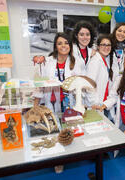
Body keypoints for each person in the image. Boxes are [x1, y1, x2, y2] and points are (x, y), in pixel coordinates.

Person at [33, 32, 79, 173]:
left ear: (70, 45)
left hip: (68, 102)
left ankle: (67, 156)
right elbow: (40, 84)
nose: (63, 46)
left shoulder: (75, 62)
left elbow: (79, 84)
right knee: (53, 131)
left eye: (66, 43)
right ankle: (57, 160)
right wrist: (35, 106)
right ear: (55, 46)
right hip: (50, 101)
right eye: (60, 43)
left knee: (67, 131)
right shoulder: (47, 61)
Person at [87, 35, 119, 120]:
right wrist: (94, 103)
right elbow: (90, 85)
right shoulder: (95, 61)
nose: (106, 47)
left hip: (104, 103)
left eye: (108, 45)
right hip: (96, 104)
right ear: (98, 46)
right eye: (103, 45)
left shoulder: (106, 60)